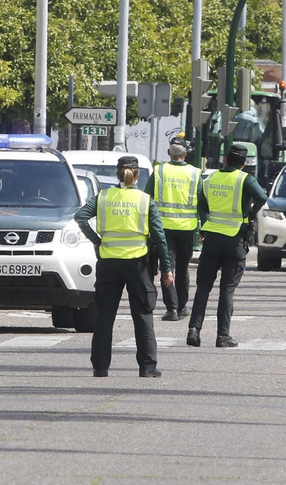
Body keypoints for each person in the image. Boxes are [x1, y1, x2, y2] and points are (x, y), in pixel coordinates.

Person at [75, 155, 173, 378]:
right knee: (143, 315)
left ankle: (100, 368)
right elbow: (159, 237)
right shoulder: (145, 200)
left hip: (108, 263)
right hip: (138, 265)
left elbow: (80, 217)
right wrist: (167, 267)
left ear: (117, 174)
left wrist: (96, 239)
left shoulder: (103, 197)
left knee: (104, 316)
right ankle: (147, 367)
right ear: (137, 174)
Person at [187, 143, 267, 347]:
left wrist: (204, 227)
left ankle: (194, 330)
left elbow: (201, 204)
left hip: (212, 239)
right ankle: (222, 336)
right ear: (243, 163)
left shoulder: (210, 179)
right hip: (234, 240)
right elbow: (262, 197)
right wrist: (249, 213)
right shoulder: (245, 179)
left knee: (203, 287)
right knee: (227, 289)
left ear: (225, 160)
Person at [148, 139, 203, 322]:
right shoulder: (195, 173)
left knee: (167, 267)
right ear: (185, 154)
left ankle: (171, 308)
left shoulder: (159, 171)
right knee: (182, 269)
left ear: (168, 153)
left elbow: (147, 199)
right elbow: (202, 202)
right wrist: (204, 228)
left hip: (163, 228)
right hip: (187, 228)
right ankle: (182, 307)